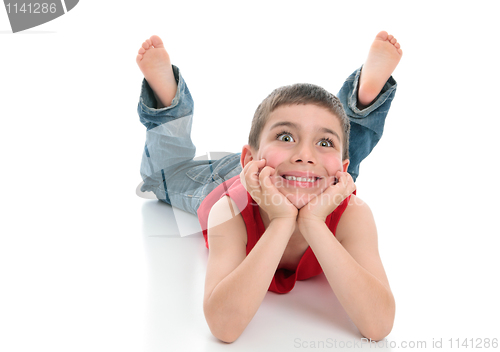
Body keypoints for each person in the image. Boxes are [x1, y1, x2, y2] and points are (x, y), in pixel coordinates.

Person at [136, 31, 402, 343]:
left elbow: (378, 325)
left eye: (322, 141)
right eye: (286, 136)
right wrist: (281, 221)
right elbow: (224, 326)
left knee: (331, 162)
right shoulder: (229, 210)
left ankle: (358, 106)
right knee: (163, 177)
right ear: (249, 158)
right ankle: (170, 106)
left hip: (300, 176)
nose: (304, 153)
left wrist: (314, 222)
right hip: (234, 180)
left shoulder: (353, 214)